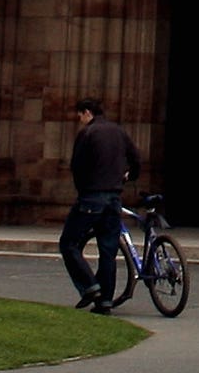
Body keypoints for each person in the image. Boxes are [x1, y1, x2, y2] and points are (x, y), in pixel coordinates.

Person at [61, 97, 141, 310]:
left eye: (80, 116)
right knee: (108, 250)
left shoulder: (88, 133)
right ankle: (105, 301)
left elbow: (77, 166)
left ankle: (90, 286)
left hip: (91, 196)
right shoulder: (119, 132)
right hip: (114, 197)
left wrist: (83, 191)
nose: (79, 120)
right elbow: (136, 159)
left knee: (68, 243)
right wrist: (128, 177)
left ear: (87, 112)